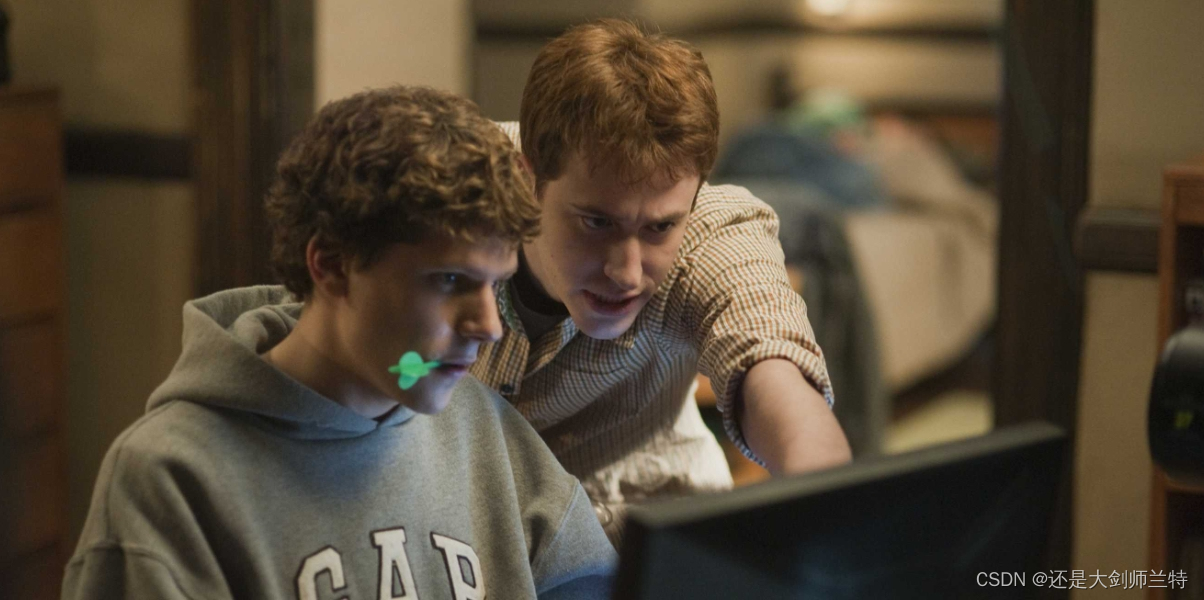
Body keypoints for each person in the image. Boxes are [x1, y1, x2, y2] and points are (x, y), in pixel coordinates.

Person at [62, 86, 616, 599]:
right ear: (330, 265)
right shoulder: (173, 477)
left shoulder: (481, 428)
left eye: (494, 283)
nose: (488, 325)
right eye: (450, 281)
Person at [469, 19, 853, 542]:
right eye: (597, 222)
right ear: (526, 176)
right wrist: (410, 370)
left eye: (659, 227)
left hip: (647, 530)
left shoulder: (712, 233)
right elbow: (381, 363)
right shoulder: (446, 198)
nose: (626, 273)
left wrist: (824, 505)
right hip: (460, 544)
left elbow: (771, 362)